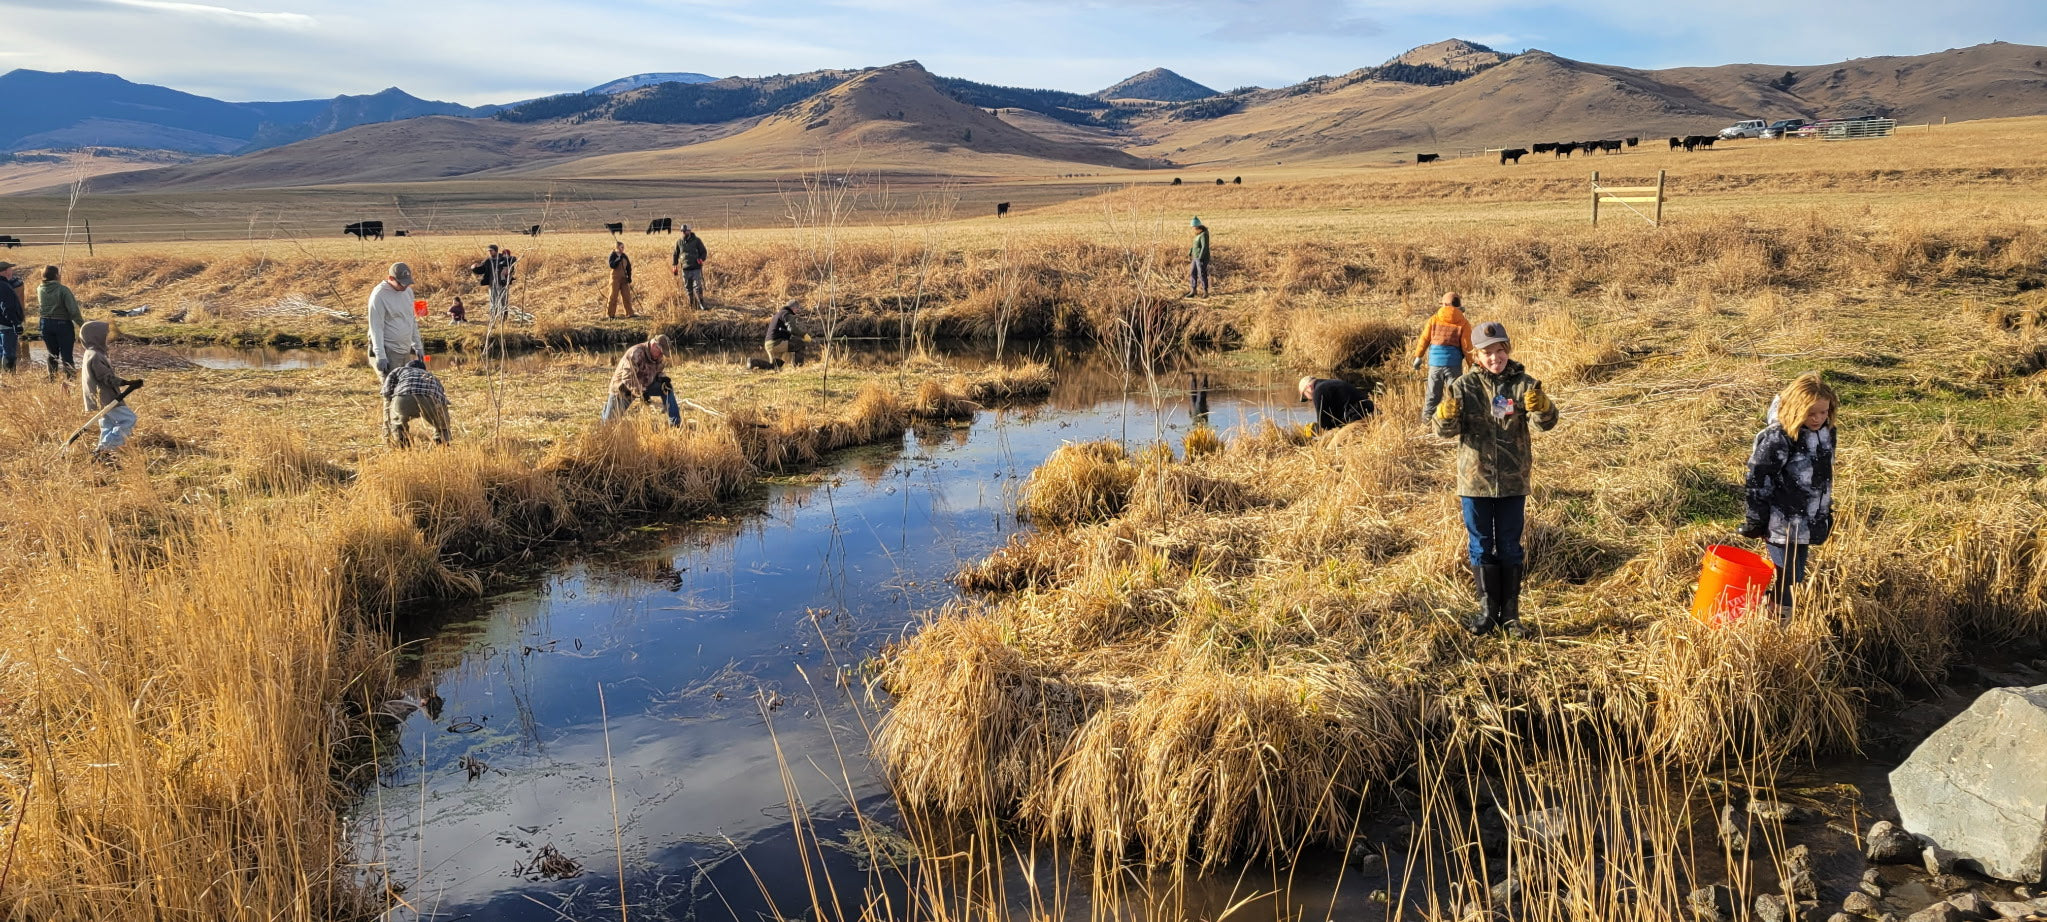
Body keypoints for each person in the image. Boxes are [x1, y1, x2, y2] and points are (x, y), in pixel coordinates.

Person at [1434, 321, 1558, 638]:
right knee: (1481, 546)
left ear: (1507, 350)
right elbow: (1442, 431)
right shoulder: (1463, 387)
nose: (1494, 358)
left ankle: (1511, 616)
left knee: (1510, 546)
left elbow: (1546, 424)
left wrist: (1543, 409)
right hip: (1474, 481)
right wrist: (1445, 414)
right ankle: (1488, 613)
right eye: (1487, 353)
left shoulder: (1525, 384)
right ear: (1476, 356)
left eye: (1499, 351)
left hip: (1513, 480)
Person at [1740, 373, 1837, 615]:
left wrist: (1825, 513)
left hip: (1809, 521)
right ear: (1796, 408)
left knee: (1793, 575)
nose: (1817, 418)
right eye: (1811, 413)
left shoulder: (1826, 433)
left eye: (1823, 412)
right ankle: (1777, 625)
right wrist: (1756, 519)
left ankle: (1768, 613)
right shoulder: (1780, 437)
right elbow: (1758, 479)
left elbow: (1822, 478)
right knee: (1788, 577)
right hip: (1783, 523)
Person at [78, 320, 143, 465]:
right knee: (128, 419)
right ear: (96, 336)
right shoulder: (95, 356)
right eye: (104, 334)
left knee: (107, 424)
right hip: (106, 397)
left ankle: (102, 453)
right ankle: (107, 449)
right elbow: (106, 378)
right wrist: (126, 383)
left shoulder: (90, 353)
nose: (106, 337)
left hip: (100, 398)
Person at [1411, 292, 1474, 419]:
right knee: (1454, 395)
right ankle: (1454, 422)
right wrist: (1472, 365)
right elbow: (1467, 347)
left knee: (1433, 395)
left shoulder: (1434, 319)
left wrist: (1418, 356)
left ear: (1444, 304)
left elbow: (1424, 339)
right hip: (1454, 365)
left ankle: (1427, 421)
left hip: (1435, 364)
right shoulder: (1463, 323)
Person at [602, 334, 679, 425]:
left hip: (645, 385)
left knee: (666, 389)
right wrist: (641, 392)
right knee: (609, 423)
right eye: (660, 352)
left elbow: (658, 371)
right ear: (654, 345)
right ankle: (606, 411)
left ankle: (675, 423)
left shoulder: (657, 356)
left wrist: (663, 379)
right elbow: (627, 379)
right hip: (624, 389)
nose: (661, 356)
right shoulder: (635, 352)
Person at [366, 262, 425, 380]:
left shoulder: (408, 292)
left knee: (404, 386)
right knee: (391, 389)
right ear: (391, 278)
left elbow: (411, 320)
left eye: (407, 283)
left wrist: (418, 345)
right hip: (389, 351)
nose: (404, 287)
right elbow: (376, 328)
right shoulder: (379, 295)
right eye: (401, 283)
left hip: (405, 349)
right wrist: (380, 355)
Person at [381, 357, 452, 447]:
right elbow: (442, 398)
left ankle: (403, 445)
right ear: (423, 369)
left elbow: (386, 392)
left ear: (407, 367)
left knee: (397, 424)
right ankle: (440, 444)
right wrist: (443, 421)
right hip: (429, 399)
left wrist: (392, 414)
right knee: (442, 427)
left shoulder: (399, 370)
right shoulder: (431, 376)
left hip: (403, 397)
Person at [38, 265, 84, 380]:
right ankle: (70, 379)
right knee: (66, 355)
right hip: (62, 325)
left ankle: (52, 377)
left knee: (52, 354)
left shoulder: (39, 288)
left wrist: (57, 280)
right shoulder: (63, 290)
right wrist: (82, 325)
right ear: (56, 275)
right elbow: (73, 311)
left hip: (45, 324)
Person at [1297, 375, 1374, 431]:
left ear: (1309, 387)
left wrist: (1314, 429)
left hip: (1361, 418)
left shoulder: (1318, 392)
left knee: (1329, 448)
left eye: (1305, 396)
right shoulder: (1331, 383)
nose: (1309, 400)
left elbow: (1324, 427)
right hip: (1371, 412)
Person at [471, 244, 517, 320]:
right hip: (492, 284)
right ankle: (493, 318)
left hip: (503, 284)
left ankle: (503, 319)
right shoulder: (488, 260)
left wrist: (506, 266)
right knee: (493, 302)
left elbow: (513, 260)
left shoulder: (503, 258)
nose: (490, 252)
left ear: (495, 251)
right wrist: (474, 268)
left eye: (491, 251)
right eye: (489, 251)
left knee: (503, 301)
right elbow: (482, 270)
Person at [671, 225, 709, 310]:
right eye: (682, 231)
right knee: (688, 288)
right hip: (685, 268)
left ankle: (701, 304)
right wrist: (674, 265)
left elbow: (703, 252)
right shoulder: (679, 242)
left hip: (695, 267)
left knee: (697, 286)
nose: (684, 232)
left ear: (689, 231)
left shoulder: (697, 241)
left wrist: (701, 259)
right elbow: (675, 254)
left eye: (685, 231)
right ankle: (691, 305)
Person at [0, 261, 24, 373]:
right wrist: (16, 323)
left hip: (2, 323)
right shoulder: (4, 286)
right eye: (10, 269)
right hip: (7, 325)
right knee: (9, 353)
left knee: (2, 350)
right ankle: (10, 376)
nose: (12, 271)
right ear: (4, 272)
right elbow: (7, 307)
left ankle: (4, 376)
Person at [606, 241, 637, 319]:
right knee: (613, 296)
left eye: (623, 247)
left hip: (624, 279)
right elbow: (611, 265)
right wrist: (618, 259)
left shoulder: (624, 256)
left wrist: (629, 277)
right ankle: (610, 315)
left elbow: (628, 267)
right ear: (617, 247)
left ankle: (630, 313)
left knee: (627, 296)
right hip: (615, 278)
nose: (623, 249)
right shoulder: (612, 255)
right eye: (621, 247)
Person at [764, 300, 798, 368]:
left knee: (774, 366)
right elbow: (792, 329)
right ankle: (798, 367)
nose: (798, 311)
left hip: (768, 344)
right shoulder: (787, 314)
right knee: (798, 345)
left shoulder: (779, 314)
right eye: (797, 308)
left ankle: (753, 363)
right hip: (776, 343)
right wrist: (803, 335)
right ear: (793, 308)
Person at [1187, 217, 1211, 297]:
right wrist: (1190, 252)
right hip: (1195, 257)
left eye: (1193, 227)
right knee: (1193, 273)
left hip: (1201, 258)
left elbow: (1204, 247)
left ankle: (1205, 291)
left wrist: (1200, 257)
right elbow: (1194, 245)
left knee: (1201, 274)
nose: (1193, 229)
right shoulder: (1197, 235)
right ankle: (1193, 290)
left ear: (1197, 227)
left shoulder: (1204, 235)